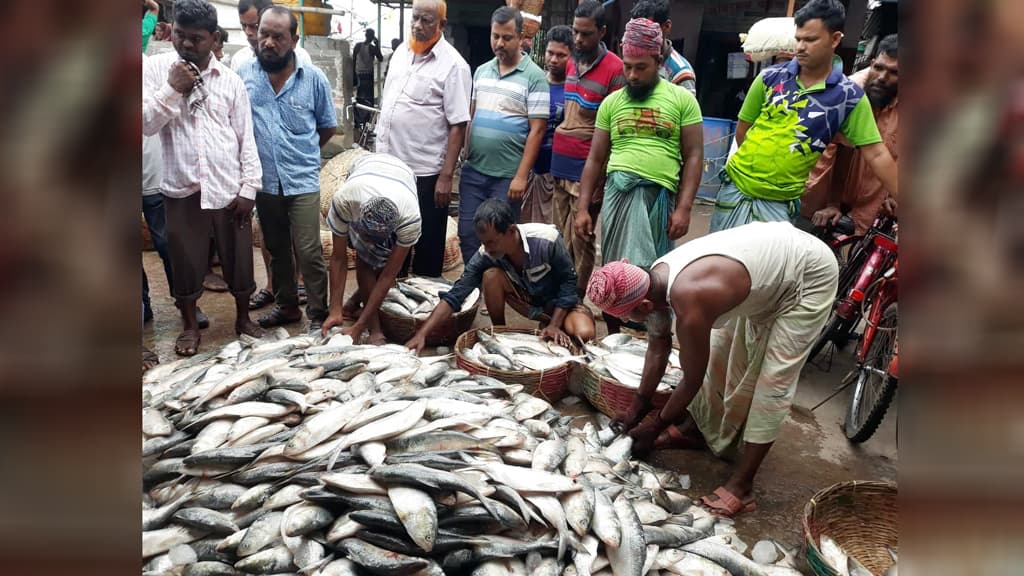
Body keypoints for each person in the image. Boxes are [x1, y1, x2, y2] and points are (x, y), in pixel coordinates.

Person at [586, 221, 839, 517]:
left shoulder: (691, 299)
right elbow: (658, 346)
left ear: (642, 305)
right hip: (770, 266)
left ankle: (742, 486)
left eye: (631, 316)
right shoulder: (654, 276)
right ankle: (696, 430)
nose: (634, 321)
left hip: (808, 275)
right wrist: (635, 410)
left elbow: (691, 380)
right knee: (720, 354)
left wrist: (655, 426)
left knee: (773, 381)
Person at [710, 0, 898, 233]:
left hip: (779, 205)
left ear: (836, 39)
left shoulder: (848, 97)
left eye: (810, 40)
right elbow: (744, 128)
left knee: (764, 268)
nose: (800, 46)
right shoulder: (770, 78)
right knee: (717, 260)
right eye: (798, 38)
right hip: (734, 191)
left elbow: (878, 154)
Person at [143, 0, 265, 355]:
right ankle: (190, 327)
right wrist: (172, 89)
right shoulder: (156, 69)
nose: (186, 44)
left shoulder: (229, 81)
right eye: (180, 35)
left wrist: (249, 188)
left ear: (214, 39)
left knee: (239, 259)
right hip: (182, 187)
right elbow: (146, 123)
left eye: (196, 39)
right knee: (184, 261)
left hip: (228, 187)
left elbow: (245, 136)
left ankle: (243, 320)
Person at [574, 18, 703, 334]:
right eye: (627, 66)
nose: (631, 74)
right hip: (618, 197)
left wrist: (684, 207)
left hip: (658, 200)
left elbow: (695, 156)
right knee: (617, 272)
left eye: (640, 67)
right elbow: (596, 158)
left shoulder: (682, 100)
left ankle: (652, 340)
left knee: (654, 275)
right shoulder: (612, 103)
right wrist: (582, 209)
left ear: (659, 61)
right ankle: (615, 338)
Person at [239, 6, 337, 332]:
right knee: (277, 249)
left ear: (294, 40)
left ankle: (319, 315)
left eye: (277, 36)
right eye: (263, 33)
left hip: (303, 180)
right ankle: (287, 307)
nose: (267, 42)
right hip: (264, 181)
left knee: (308, 250)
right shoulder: (244, 76)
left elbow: (326, 128)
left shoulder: (314, 80)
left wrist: (302, 152)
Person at [406, 199, 595, 354]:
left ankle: (553, 325)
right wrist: (422, 334)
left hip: (561, 305)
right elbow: (456, 294)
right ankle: (500, 331)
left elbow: (569, 282)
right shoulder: (486, 254)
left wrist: (555, 324)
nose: (487, 249)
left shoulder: (547, 239)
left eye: (492, 242)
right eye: (484, 243)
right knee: (491, 276)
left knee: (584, 333)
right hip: (529, 302)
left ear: (511, 231)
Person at [376, 0, 471, 279]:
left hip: (425, 173)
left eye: (426, 20)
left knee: (427, 241)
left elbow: (458, 124)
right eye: (415, 18)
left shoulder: (454, 65)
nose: (418, 25)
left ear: (441, 24)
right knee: (391, 236)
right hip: (391, 168)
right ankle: (393, 296)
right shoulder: (401, 52)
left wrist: (446, 176)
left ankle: (423, 301)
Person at [458, 7, 549, 265]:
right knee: (467, 233)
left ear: (520, 37)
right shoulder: (481, 72)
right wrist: (465, 154)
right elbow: (471, 115)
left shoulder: (535, 77)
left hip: (507, 177)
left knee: (500, 238)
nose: (499, 43)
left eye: (506, 37)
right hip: (474, 171)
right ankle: (472, 289)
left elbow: (538, 129)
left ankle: (498, 290)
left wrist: (521, 176)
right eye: (495, 36)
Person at [550, 0, 624, 295]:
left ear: (602, 32)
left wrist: (601, 179)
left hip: (587, 169)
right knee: (558, 237)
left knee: (581, 238)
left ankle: (575, 298)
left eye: (586, 34)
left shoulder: (615, 69)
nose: (578, 40)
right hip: (560, 164)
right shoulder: (570, 62)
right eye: (575, 32)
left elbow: (613, 132)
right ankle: (559, 294)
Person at [322, 154, 422, 344]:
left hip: (404, 176)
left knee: (381, 263)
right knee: (366, 260)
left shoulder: (410, 219)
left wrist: (360, 326)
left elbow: (388, 275)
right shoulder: (345, 200)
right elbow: (338, 258)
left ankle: (357, 308)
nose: (369, 243)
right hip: (364, 167)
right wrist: (334, 310)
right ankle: (364, 320)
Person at [805, 34, 899, 234]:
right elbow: (841, 150)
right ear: (872, 63)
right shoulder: (850, 91)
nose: (882, 78)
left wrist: (894, 193)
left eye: (894, 72)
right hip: (821, 194)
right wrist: (833, 203)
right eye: (879, 68)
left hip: (871, 205)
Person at [521, 25, 571, 225]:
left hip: (558, 175)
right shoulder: (534, 81)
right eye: (550, 53)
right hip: (528, 170)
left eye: (561, 55)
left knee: (551, 229)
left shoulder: (574, 91)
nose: (553, 60)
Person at [630, 0, 697, 94]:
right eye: (637, 31)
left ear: (666, 27)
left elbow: (686, 108)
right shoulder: (631, 61)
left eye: (648, 32)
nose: (641, 37)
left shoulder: (680, 73)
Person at [232, 0, 311, 73]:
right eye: (243, 25)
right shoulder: (240, 61)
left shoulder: (301, 59)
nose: (248, 32)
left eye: (253, 26)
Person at [353, 28, 384, 129]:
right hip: (368, 76)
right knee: (368, 99)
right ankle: (366, 120)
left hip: (359, 75)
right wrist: (377, 44)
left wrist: (353, 74)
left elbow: (353, 60)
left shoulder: (357, 46)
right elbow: (380, 58)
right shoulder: (372, 48)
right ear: (372, 37)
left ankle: (359, 121)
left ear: (366, 36)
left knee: (360, 98)